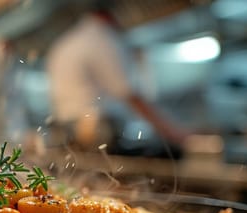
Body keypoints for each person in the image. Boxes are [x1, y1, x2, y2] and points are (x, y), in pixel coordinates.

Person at [44, 1, 190, 153]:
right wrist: (173, 133)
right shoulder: (102, 38)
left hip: (64, 131)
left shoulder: (65, 42)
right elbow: (129, 94)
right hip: (95, 132)